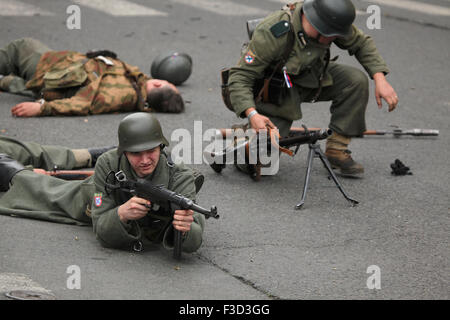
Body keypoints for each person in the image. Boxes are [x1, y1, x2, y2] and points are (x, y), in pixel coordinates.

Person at [227, 0, 398, 177]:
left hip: (313, 77)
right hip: (277, 91)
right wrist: (252, 114)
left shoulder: (331, 23)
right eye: (330, 35)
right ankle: (243, 135)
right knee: (262, 161)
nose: (334, 39)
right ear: (317, 25)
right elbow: (240, 77)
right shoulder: (274, 32)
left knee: (355, 81)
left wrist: (380, 78)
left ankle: (336, 149)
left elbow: (361, 43)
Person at [0, 113, 205, 254]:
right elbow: (102, 232)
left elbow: (195, 240)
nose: (144, 160)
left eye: (151, 151)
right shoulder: (109, 164)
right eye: (135, 153)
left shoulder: (180, 177)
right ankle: (9, 169)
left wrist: (185, 229)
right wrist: (121, 214)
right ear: (124, 151)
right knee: (52, 194)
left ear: (161, 147)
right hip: (98, 195)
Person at [0, 38, 185, 117]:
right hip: (59, 69)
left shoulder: (119, 94)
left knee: (20, 48)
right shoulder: (139, 86)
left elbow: (82, 104)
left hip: (48, 71)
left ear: (159, 84)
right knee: (13, 81)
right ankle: (7, 82)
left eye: (169, 83)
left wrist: (41, 108)